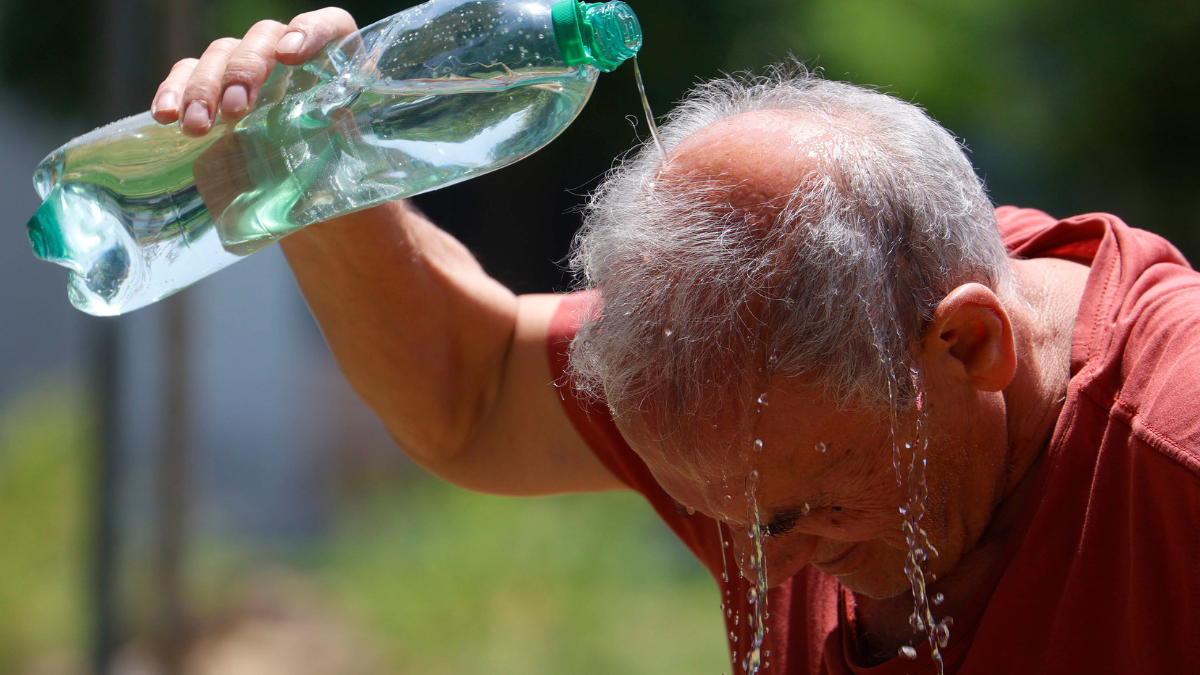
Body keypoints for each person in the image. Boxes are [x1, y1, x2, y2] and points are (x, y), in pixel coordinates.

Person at [153, 9, 1200, 674]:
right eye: (717, 517)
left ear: (968, 345)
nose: (767, 563)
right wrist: (312, 177)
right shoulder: (752, 395)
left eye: (808, 513)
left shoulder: (1170, 450)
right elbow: (470, 398)